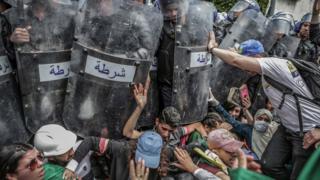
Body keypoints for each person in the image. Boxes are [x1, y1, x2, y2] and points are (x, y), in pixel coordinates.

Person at [207, 30, 320, 179]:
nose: (244, 70)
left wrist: (212, 49)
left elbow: (236, 60)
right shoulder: (265, 74)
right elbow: (236, 57)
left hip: (308, 130)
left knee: (300, 176)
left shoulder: (274, 65)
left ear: (257, 57)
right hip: (287, 127)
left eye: (247, 61)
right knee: (268, 165)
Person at [123, 83, 206, 142]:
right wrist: (140, 107)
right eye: (164, 129)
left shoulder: (176, 133)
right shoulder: (149, 135)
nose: (166, 134)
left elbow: (197, 125)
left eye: (171, 131)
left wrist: (206, 140)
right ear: (157, 122)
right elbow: (128, 133)